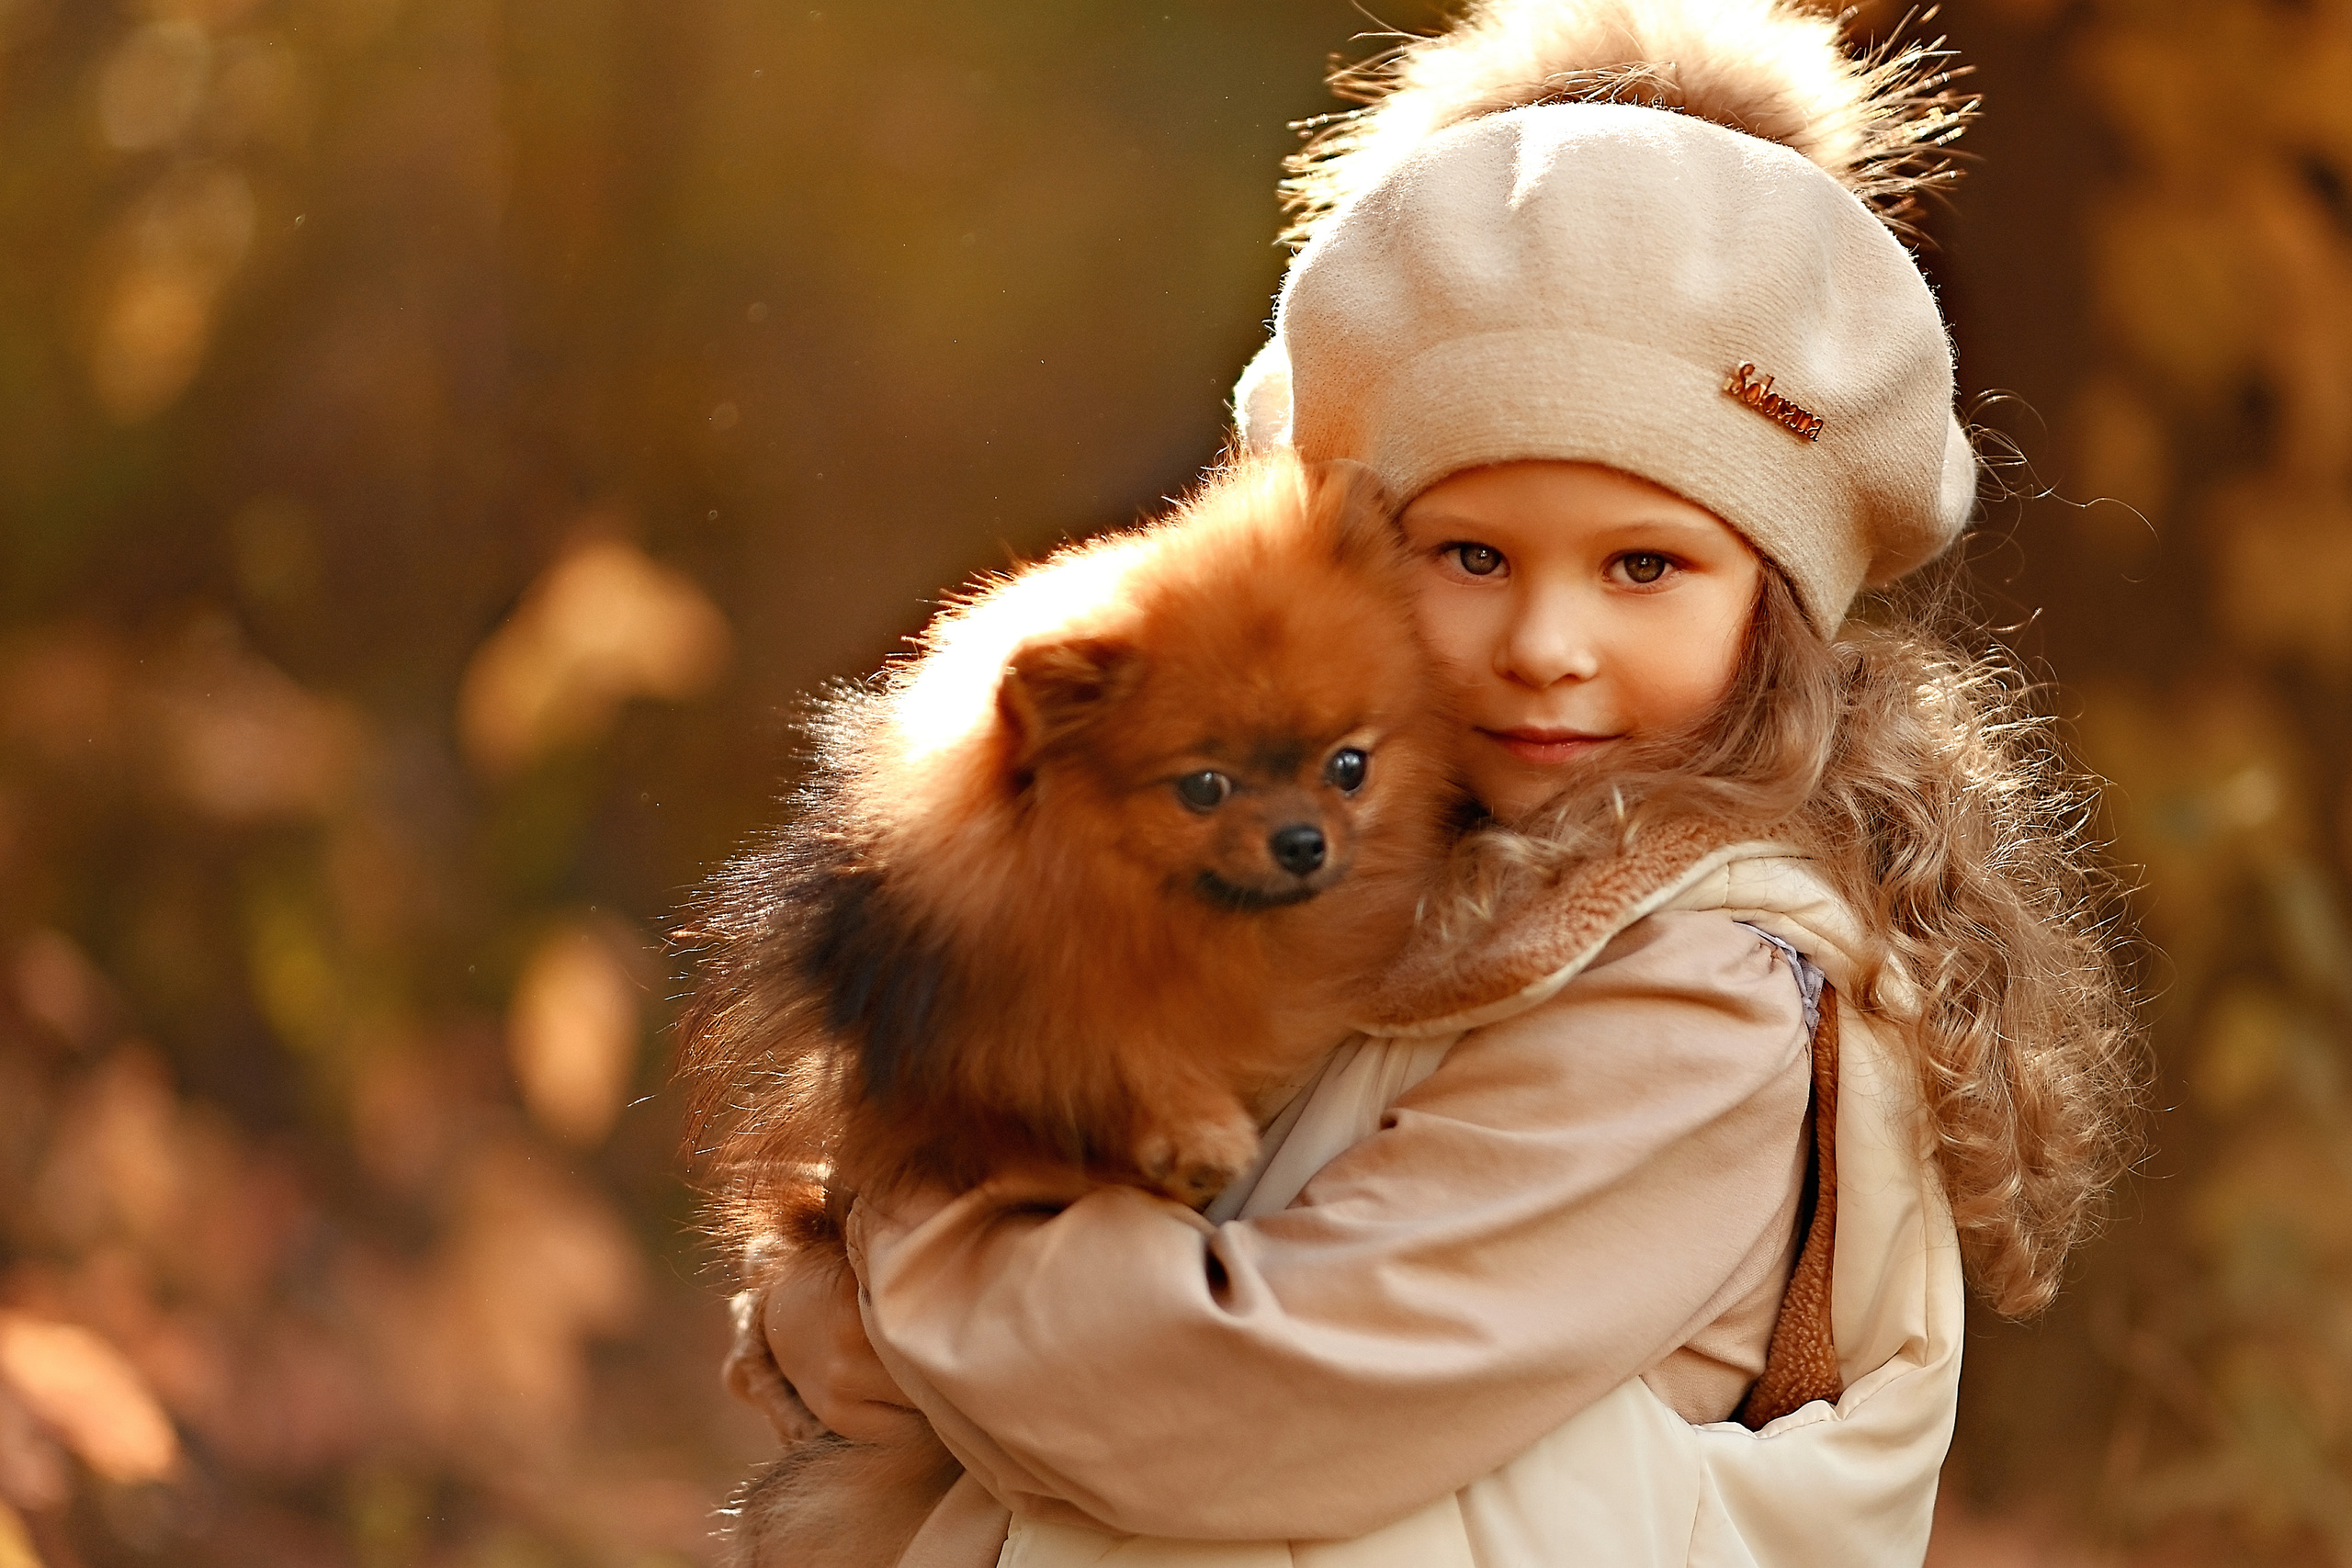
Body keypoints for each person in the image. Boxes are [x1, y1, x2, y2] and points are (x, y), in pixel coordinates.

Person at [720, 1, 2143, 1563]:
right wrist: (838, 1256)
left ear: (1774, 604)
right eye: (1470, 556)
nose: (1547, 642)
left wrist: (912, 1256)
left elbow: (1229, 1408)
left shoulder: (1711, 994)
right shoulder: (1367, 868)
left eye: (1643, 566)